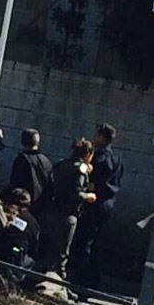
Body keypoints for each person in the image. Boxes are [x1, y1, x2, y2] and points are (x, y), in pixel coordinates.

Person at [71, 123, 123, 290]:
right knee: (96, 243)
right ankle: (93, 281)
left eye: (96, 135)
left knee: (84, 242)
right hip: (108, 205)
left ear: (101, 137)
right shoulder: (116, 158)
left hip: (94, 204)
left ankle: (81, 282)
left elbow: (91, 182)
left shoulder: (99, 158)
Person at [43, 138, 97, 279]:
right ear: (88, 154)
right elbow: (76, 192)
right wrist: (88, 196)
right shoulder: (80, 169)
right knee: (62, 251)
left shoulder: (61, 164)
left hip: (53, 209)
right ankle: (57, 278)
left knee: (50, 246)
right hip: (68, 213)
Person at [8, 128, 53, 218]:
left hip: (24, 208)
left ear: (22, 141)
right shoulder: (46, 160)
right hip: (41, 209)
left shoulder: (21, 160)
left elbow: (15, 184)